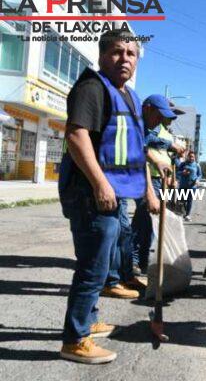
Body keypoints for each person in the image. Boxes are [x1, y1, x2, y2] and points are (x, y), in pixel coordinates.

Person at [58, 30, 160, 364]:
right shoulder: (92, 87)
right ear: (102, 55)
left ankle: (87, 321)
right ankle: (75, 340)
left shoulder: (127, 95)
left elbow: (136, 149)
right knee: (92, 268)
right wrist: (100, 184)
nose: (124, 59)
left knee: (100, 266)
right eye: (117, 52)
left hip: (116, 193)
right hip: (92, 194)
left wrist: (148, 190)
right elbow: (76, 136)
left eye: (131, 54)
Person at [130, 95, 185, 275]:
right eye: (165, 115)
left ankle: (143, 260)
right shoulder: (145, 126)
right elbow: (145, 148)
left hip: (162, 180)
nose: (168, 119)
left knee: (152, 224)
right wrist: (170, 145)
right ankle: (132, 261)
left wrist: (172, 177)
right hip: (148, 177)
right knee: (142, 221)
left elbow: (166, 156)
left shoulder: (164, 131)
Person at [178, 151, 202, 221]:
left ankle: (187, 215)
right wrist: (182, 172)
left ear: (194, 157)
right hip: (183, 185)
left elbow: (200, 174)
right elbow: (177, 172)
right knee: (182, 200)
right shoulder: (183, 164)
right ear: (187, 157)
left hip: (192, 186)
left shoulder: (197, 165)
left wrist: (197, 180)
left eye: (193, 157)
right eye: (190, 156)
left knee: (189, 200)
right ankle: (184, 213)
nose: (191, 158)